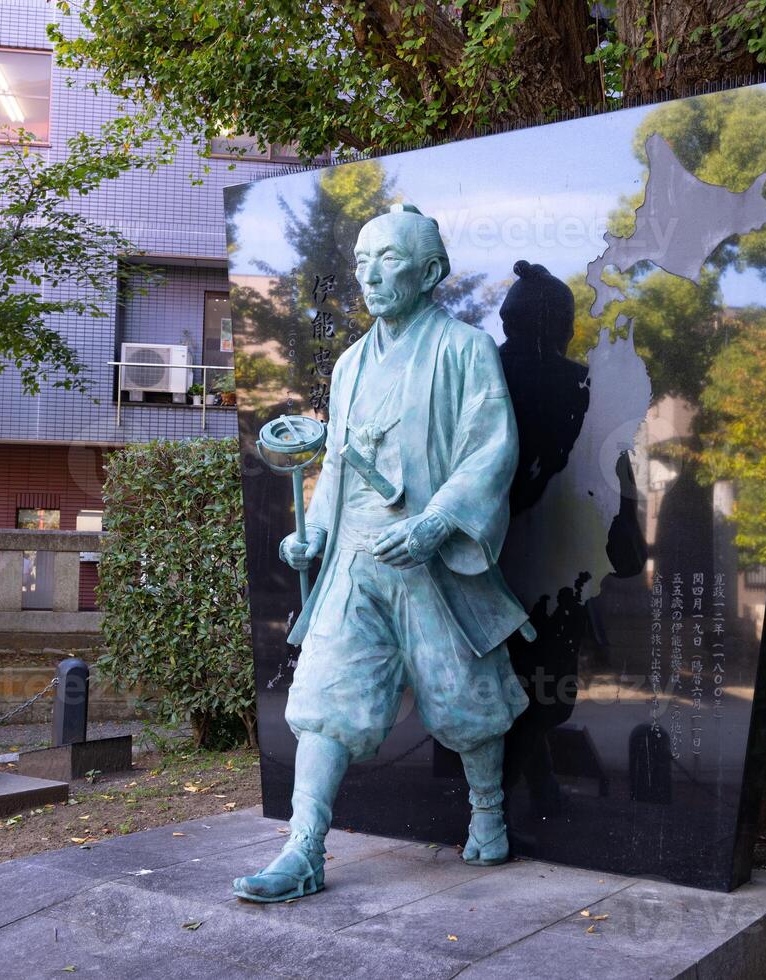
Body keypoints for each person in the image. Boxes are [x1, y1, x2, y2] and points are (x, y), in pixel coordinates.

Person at [233, 204, 531, 903]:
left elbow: (493, 449)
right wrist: (317, 532)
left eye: (389, 258)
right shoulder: (349, 365)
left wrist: (436, 523)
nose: (370, 274)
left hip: (429, 555)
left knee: (464, 695)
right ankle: (303, 848)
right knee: (326, 695)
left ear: (430, 272)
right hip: (356, 562)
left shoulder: (465, 350)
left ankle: (487, 812)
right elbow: (337, 461)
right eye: (363, 260)